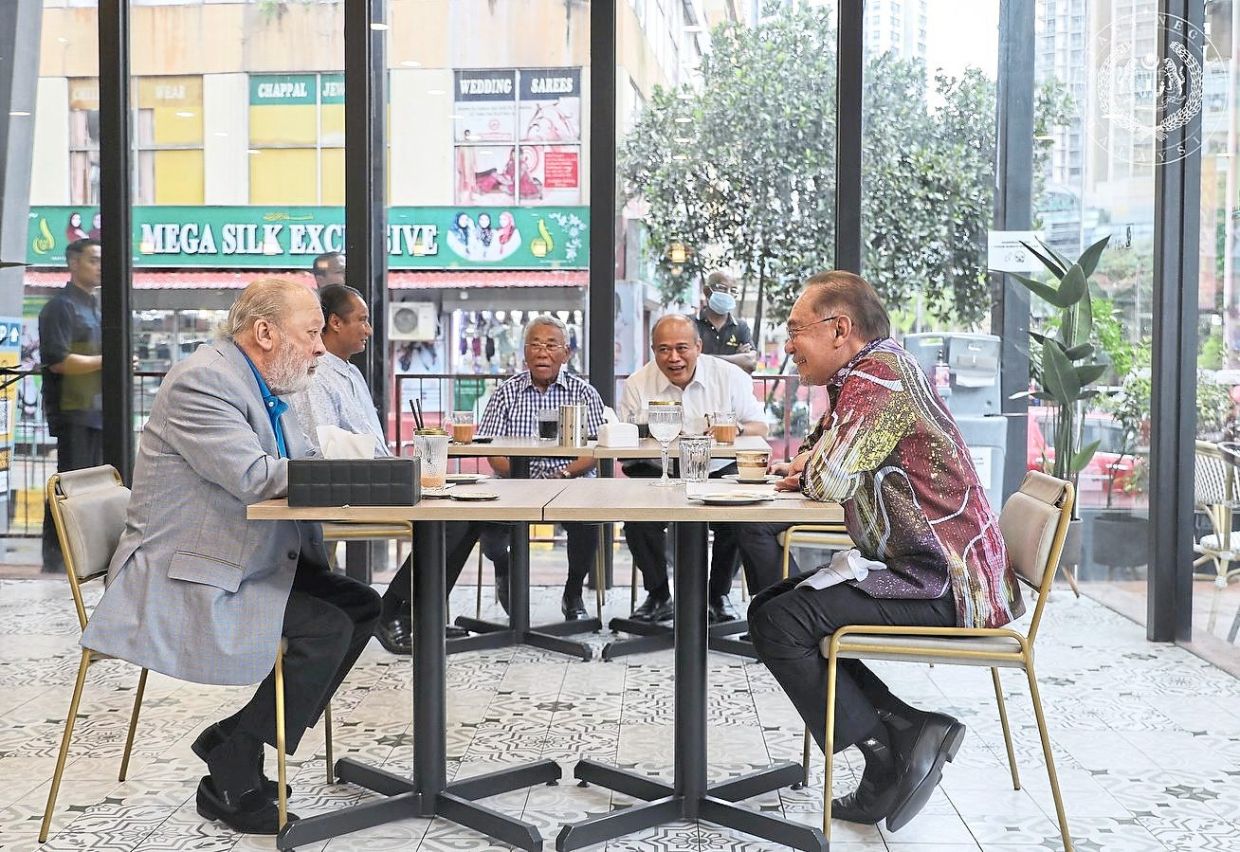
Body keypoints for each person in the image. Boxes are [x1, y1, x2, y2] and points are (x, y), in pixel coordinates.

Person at [80, 279, 381, 836]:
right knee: (326, 628)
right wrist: (358, 476)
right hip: (182, 571)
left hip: (245, 557)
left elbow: (305, 457)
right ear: (264, 332)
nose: (320, 347)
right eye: (311, 333)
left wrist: (360, 473)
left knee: (361, 606)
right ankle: (236, 758)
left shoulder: (268, 382)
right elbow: (253, 476)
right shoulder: (204, 381)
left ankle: (235, 741)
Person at [746, 271, 1019, 833]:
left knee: (781, 621)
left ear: (840, 328)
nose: (788, 344)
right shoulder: (868, 375)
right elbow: (822, 461)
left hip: (949, 584)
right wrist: (813, 465)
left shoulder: (880, 381)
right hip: (931, 572)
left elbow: (828, 477)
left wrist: (814, 467)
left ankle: (886, 748)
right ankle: (901, 733)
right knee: (771, 608)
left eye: (796, 330)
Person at [289, 284, 472, 653]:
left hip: (382, 477)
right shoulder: (316, 376)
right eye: (363, 320)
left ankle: (414, 613)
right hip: (351, 488)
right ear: (335, 323)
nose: (370, 330)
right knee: (455, 517)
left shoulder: (350, 373)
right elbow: (324, 450)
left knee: (470, 511)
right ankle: (394, 612)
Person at [618, 314, 768, 623]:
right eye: (663, 349)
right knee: (636, 518)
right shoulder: (637, 384)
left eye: (682, 348)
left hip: (717, 467)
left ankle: (717, 596)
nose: (673, 357)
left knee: (740, 518)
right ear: (652, 350)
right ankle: (659, 595)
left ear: (699, 347)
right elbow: (628, 439)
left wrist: (733, 428)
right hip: (658, 468)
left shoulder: (729, 376)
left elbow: (760, 425)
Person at [476, 315, 605, 621]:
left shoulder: (584, 393)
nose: (542, 352)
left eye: (550, 345)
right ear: (525, 353)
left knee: (587, 522)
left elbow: (595, 451)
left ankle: (573, 593)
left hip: (569, 479)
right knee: (488, 528)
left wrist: (562, 475)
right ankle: (505, 572)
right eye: (534, 345)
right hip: (515, 481)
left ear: (567, 353)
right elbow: (492, 452)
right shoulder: (506, 392)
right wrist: (520, 478)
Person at [38, 238, 103, 573]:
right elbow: (58, 360)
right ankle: (56, 556)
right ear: (74, 263)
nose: (100, 266)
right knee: (69, 484)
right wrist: (105, 361)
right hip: (73, 409)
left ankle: (84, 553)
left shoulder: (95, 306)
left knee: (94, 485)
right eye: (93, 260)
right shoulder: (61, 307)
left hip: (98, 409)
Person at [696, 271, 757, 373]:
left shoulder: (740, 326)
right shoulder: (691, 324)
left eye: (733, 290)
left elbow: (751, 362)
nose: (728, 294)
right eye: (722, 288)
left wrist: (703, 358)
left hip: (731, 387)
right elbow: (689, 359)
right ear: (707, 291)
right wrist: (736, 358)